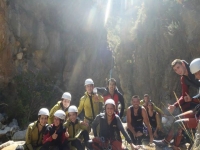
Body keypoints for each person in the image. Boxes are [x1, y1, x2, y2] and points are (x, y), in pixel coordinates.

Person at [153, 59, 200, 149]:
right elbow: (183, 95)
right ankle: (169, 142)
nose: (178, 71)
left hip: (197, 102)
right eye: (175, 70)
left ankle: (175, 145)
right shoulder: (183, 78)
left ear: (183, 64)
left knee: (180, 123)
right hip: (197, 103)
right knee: (178, 119)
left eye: (178, 67)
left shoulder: (194, 68)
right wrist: (174, 105)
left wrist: (193, 99)